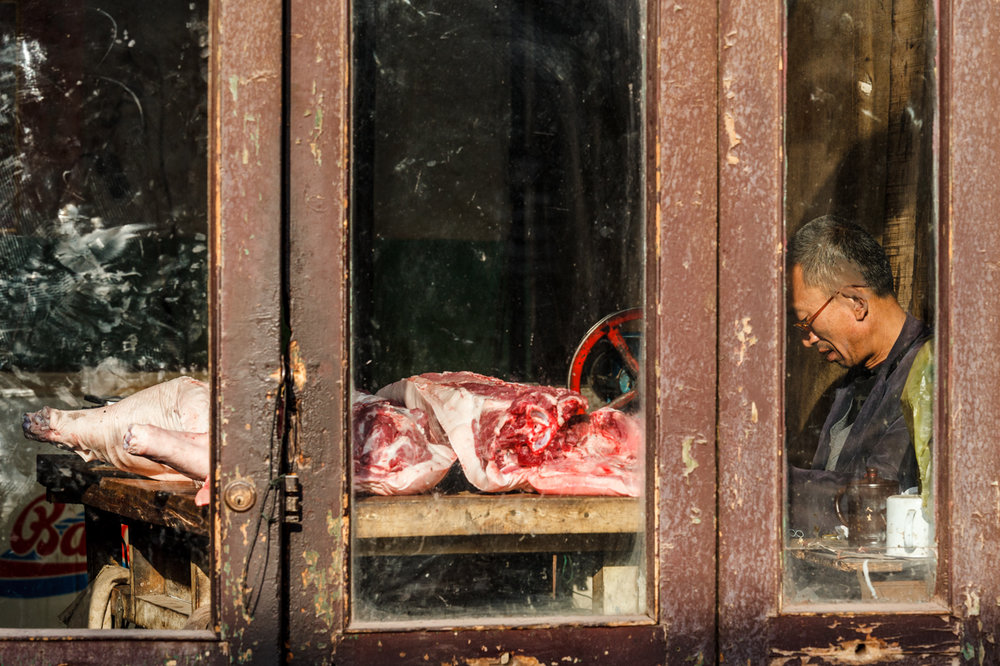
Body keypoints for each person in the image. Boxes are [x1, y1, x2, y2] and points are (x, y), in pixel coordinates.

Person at [786, 215, 932, 536]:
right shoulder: (855, 379)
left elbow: (873, 498)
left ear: (856, 303)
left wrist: (766, 484)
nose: (807, 338)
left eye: (808, 321)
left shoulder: (928, 377)